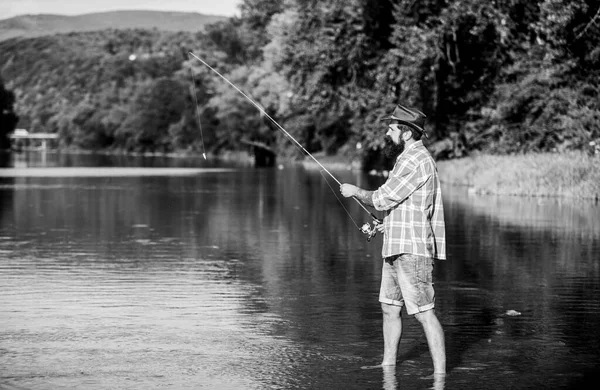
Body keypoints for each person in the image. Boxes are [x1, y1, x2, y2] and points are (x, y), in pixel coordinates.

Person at [340, 104, 447, 375]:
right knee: (389, 308)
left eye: (391, 128)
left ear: (407, 133)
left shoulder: (416, 160)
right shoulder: (407, 158)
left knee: (424, 312)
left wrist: (355, 191)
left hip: (412, 250)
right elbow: (403, 204)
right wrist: (385, 223)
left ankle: (440, 376)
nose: (387, 133)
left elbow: (382, 197)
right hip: (396, 246)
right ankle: (388, 368)